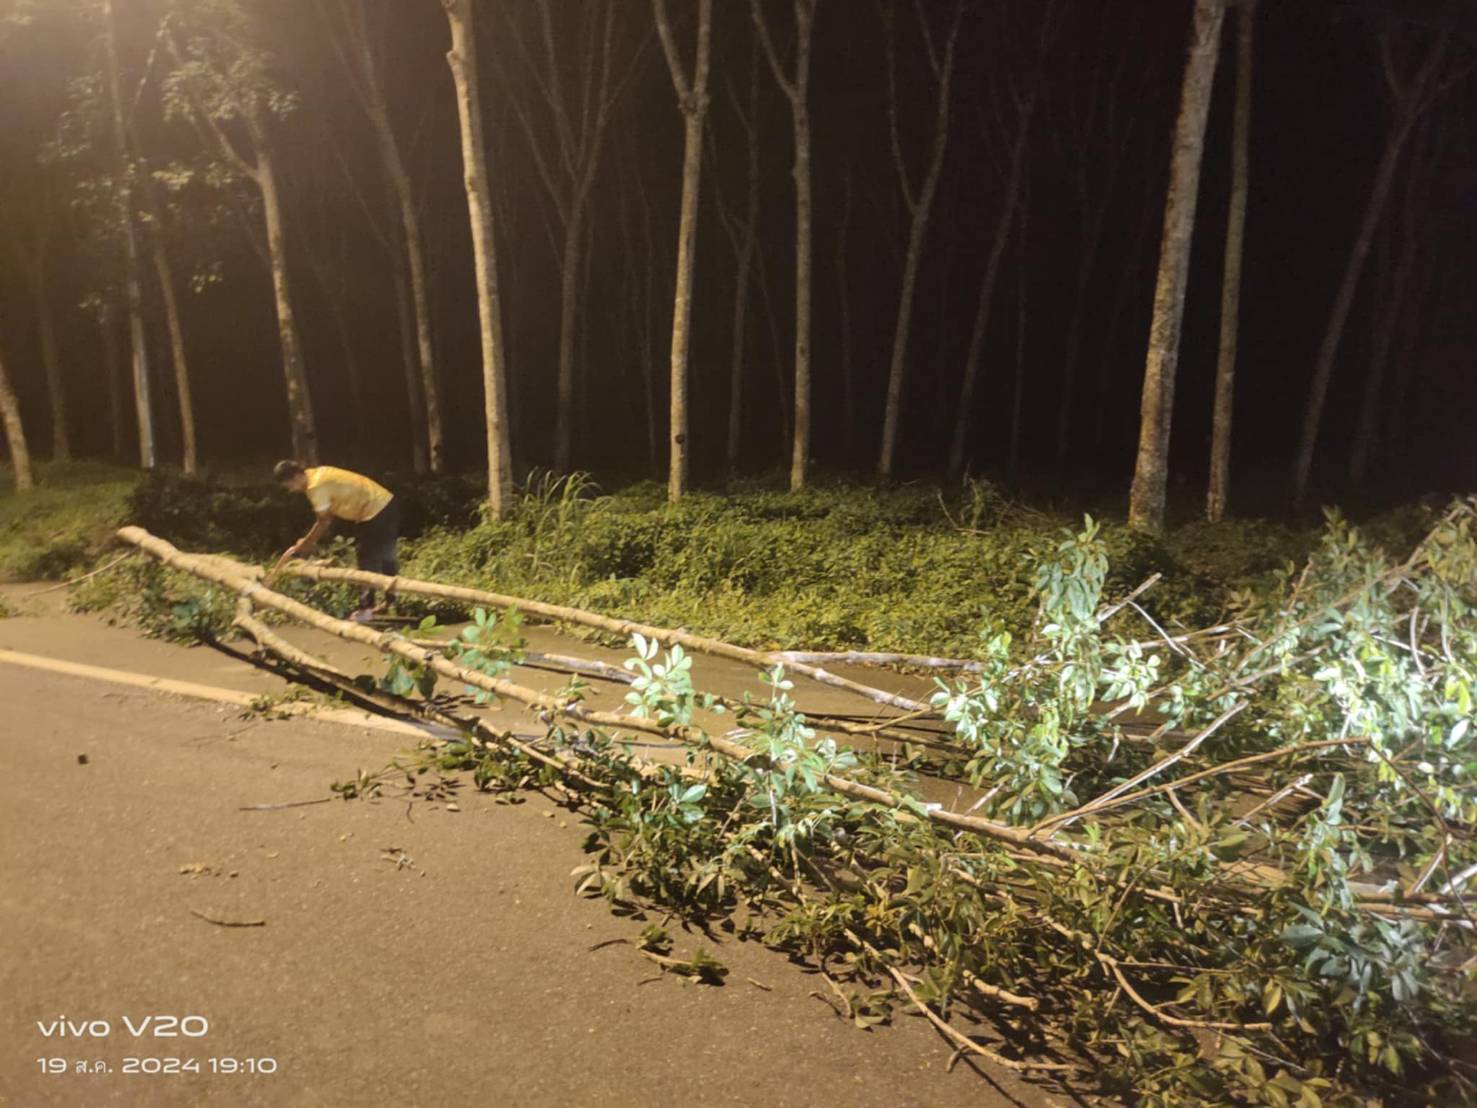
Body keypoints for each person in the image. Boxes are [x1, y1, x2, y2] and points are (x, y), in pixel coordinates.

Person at [267, 460, 400, 623]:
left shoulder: (315, 486)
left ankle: (367, 610)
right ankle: (391, 601)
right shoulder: (318, 473)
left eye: (289, 485)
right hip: (385, 504)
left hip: (374, 510)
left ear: (295, 477)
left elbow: (325, 520)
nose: (291, 490)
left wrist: (307, 542)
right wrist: (309, 540)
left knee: (367, 559)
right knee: (385, 556)